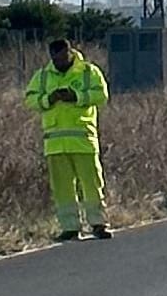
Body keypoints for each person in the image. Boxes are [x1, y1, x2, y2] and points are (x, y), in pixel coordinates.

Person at [23, 35, 111, 240]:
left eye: (63, 57)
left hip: (83, 139)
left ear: (70, 53)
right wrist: (49, 99)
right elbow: (30, 100)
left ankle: (98, 223)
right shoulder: (43, 76)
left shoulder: (88, 72)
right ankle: (70, 227)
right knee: (62, 188)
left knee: (91, 184)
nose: (59, 61)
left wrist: (76, 97)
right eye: (56, 58)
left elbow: (101, 96)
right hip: (55, 143)